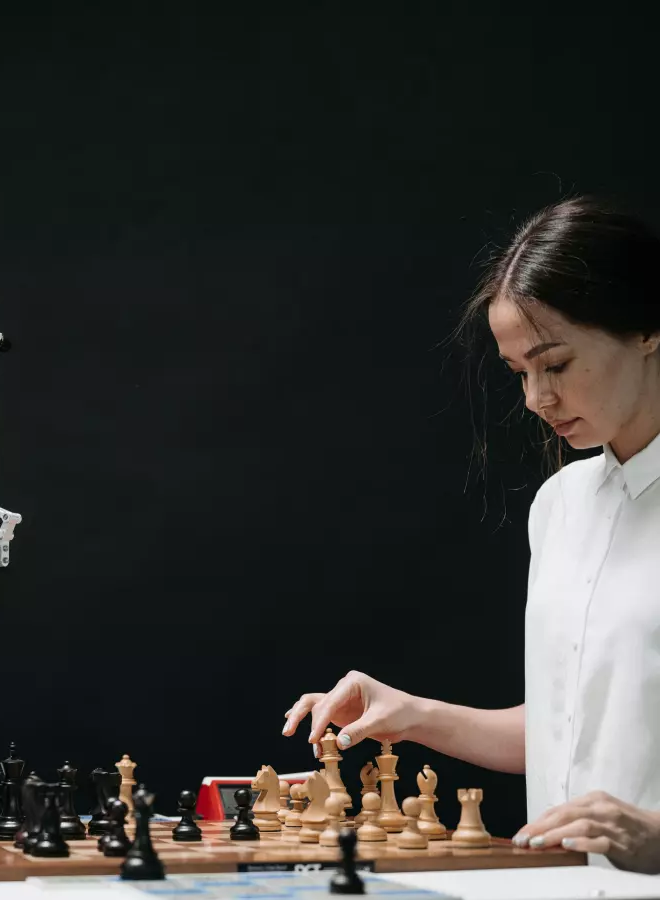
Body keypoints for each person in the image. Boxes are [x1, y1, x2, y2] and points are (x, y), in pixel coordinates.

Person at [282, 196, 660, 875]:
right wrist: (410, 712)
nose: (535, 399)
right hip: (561, 888)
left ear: (648, 329)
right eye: (520, 373)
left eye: (557, 364)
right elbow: (562, 733)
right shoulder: (562, 505)